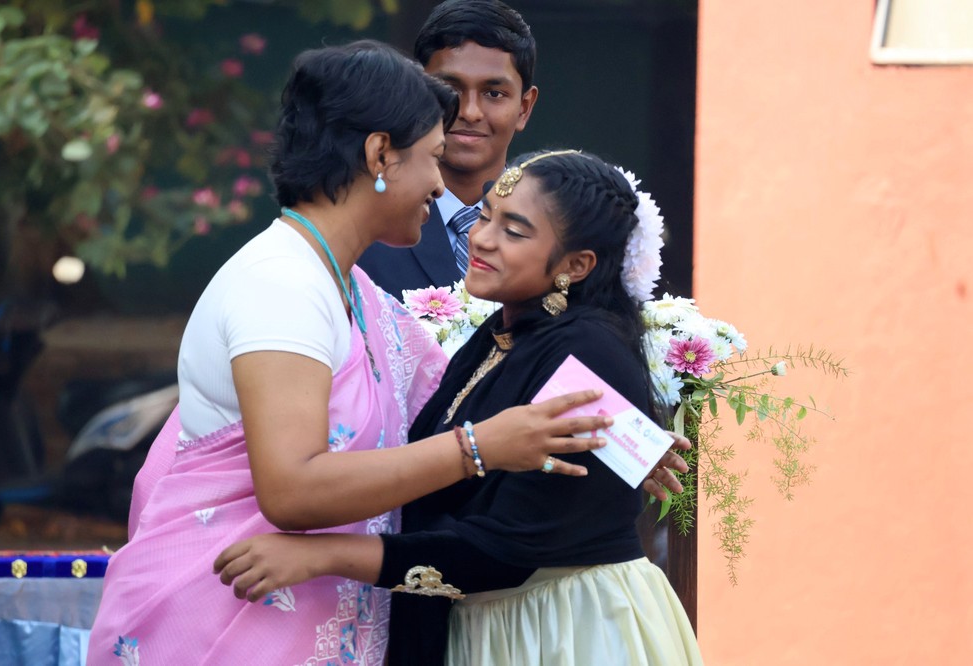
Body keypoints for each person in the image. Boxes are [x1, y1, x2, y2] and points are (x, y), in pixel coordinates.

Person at [85, 44, 614, 666]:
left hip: (308, 619)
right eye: (434, 157)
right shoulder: (279, 285)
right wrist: (477, 449)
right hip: (225, 621)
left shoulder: (351, 290)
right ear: (380, 155)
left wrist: (611, 448)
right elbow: (292, 490)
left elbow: (462, 402)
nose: (441, 185)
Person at [214, 149, 703, 665]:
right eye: (486, 215)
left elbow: (502, 552)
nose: (482, 238)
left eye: (514, 231)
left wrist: (319, 555)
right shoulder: (504, 333)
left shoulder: (587, 352)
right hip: (502, 624)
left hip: (568, 631)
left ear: (576, 265)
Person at [357, 0, 538, 296]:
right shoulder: (368, 230)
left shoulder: (554, 232)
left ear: (524, 108)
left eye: (494, 93)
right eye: (449, 90)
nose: (469, 111)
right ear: (416, 93)